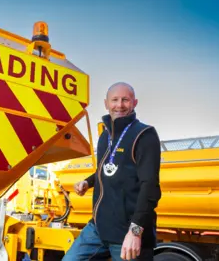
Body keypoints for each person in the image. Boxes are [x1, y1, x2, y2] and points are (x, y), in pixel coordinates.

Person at [62, 82, 162, 261]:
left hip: (127, 233)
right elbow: (107, 169)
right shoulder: (105, 136)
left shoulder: (144, 135)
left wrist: (135, 231)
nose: (120, 105)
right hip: (98, 229)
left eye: (125, 100)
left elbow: (150, 188)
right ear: (106, 103)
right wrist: (88, 182)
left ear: (135, 103)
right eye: (114, 100)